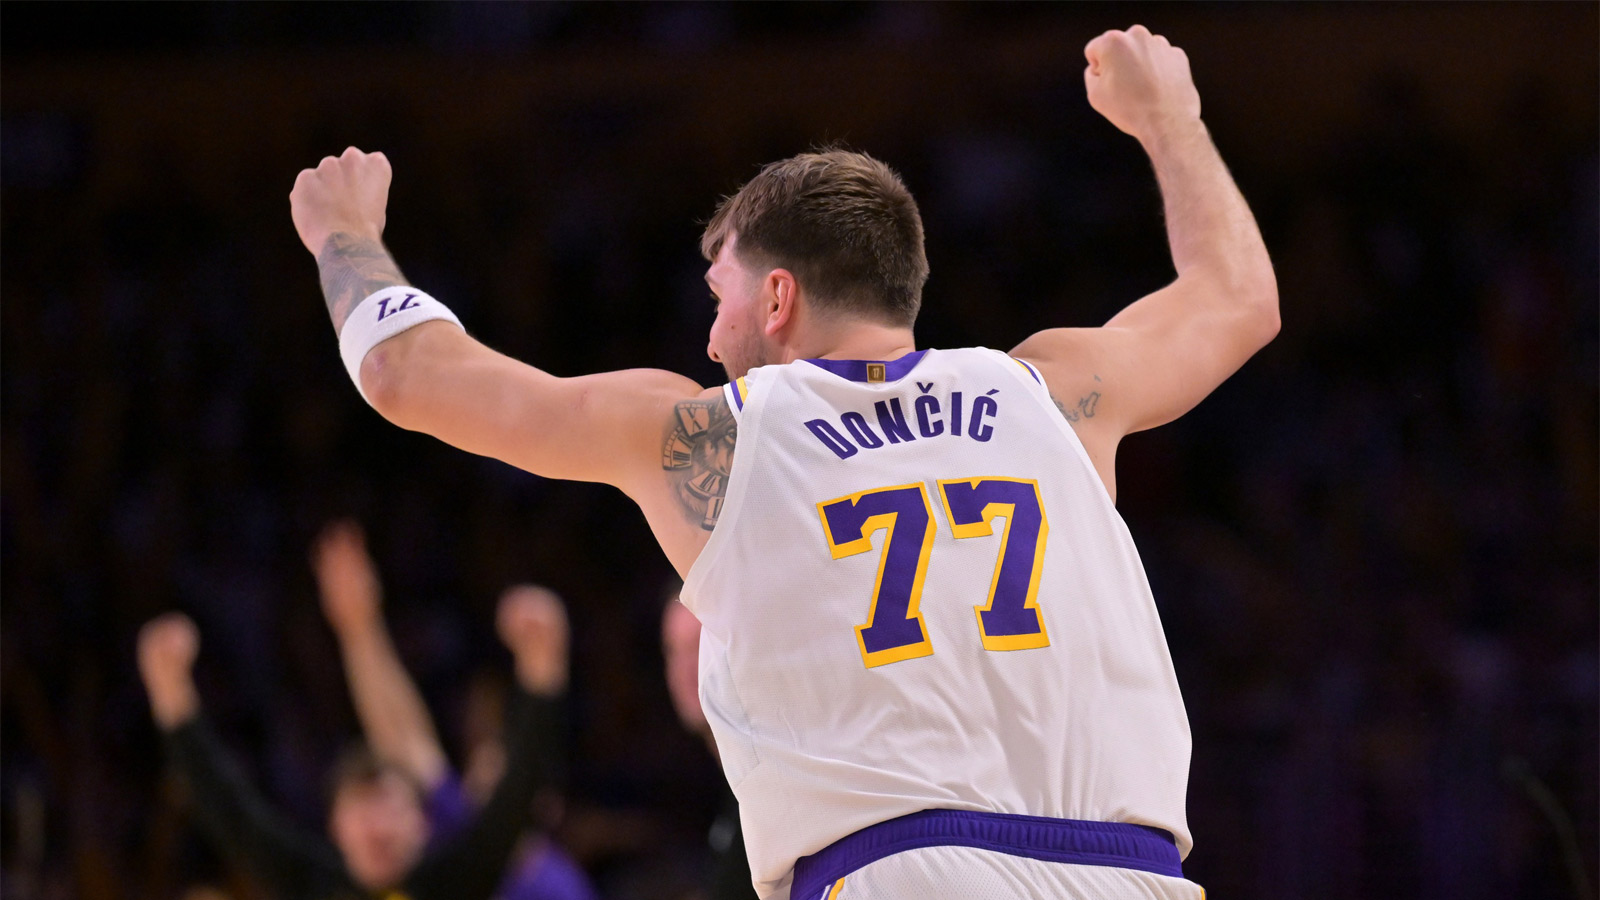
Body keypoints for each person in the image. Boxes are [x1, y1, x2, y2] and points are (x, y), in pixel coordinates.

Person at [289, 25, 1277, 900]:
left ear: (774, 300)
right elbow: (1237, 299)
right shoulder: (1053, 392)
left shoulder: (714, 432)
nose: (710, 336)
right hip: (1134, 875)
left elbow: (407, 376)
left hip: (899, 872)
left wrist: (345, 235)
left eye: (717, 298)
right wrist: (1171, 119)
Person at [137, 586, 572, 900]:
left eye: (388, 805)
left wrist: (541, 670)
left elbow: (515, 794)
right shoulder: (312, 881)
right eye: (362, 807)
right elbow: (232, 813)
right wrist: (171, 695)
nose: (376, 824)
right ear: (335, 827)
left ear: (423, 825)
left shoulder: (454, 880)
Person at [309, 520, 597, 900]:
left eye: (505, 774)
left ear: (545, 804)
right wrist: (360, 628)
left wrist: (543, 671)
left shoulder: (556, 886)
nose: (487, 772)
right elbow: (404, 741)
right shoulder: (461, 835)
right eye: (484, 764)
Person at [661, 592, 755, 900]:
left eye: (698, 646)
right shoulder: (731, 784)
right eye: (672, 651)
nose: (684, 668)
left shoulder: (772, 773)